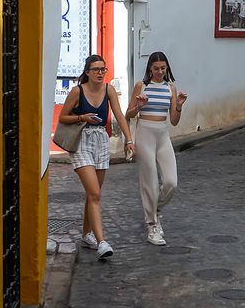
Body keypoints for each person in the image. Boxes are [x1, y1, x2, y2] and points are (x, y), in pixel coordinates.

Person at [58, 54, 133, 259]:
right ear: (87, 72)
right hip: (81, 141)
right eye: (96, 70)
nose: (100, 73)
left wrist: (129, 139)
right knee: (94, 194)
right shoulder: (77, 91)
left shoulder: (109, 90)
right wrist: (82, 117)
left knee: (93, 194)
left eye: (103, 69)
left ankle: (85, 235)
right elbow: (63, 116)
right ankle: (101, 242)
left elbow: (119, 115)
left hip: (101, 141)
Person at [126, 51, 187, 245]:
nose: (160, 71)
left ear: (167, 67)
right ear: (150, 69)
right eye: (156, 68)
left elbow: (175, 121)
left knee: (171, 182)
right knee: (149, 181)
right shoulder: (142, 86)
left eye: (163, 68)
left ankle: (156, 209)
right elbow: (128, 114)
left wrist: (178, 106)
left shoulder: (171, 88)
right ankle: (152, 226)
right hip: (145, 132)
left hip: (163, 134)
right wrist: (139, 106)